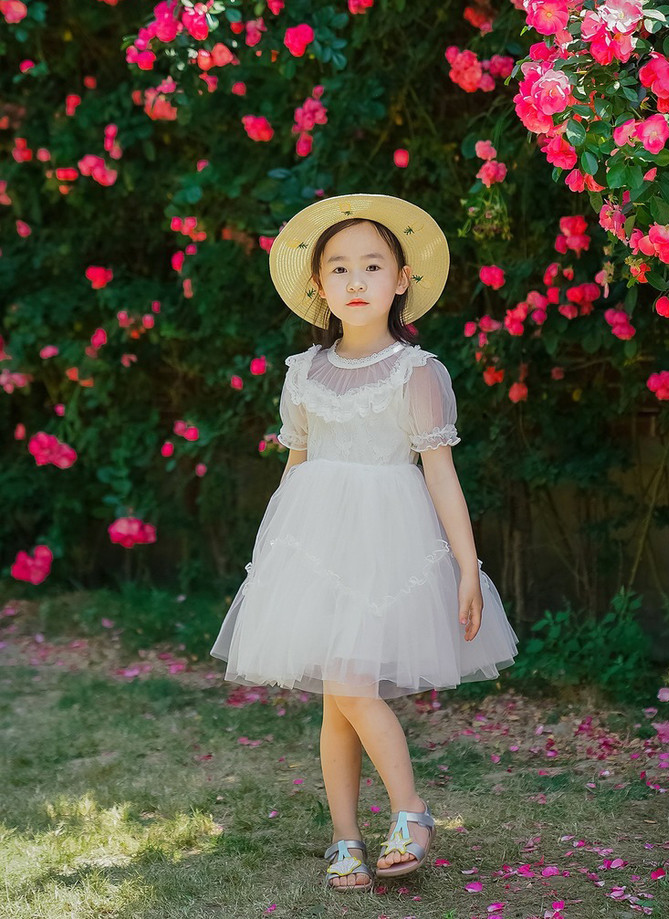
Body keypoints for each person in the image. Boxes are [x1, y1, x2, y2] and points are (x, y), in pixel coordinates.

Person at [210, 193, 519, 892]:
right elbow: (295, 468)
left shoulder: (418, 371)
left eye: (372, 266)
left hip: (387, 545)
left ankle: (411, 811)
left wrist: (467, 568)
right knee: (337, 695)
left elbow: (441, 475)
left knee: (349, 683)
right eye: (340, 268)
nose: (356, 280)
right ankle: (345, 836)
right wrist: (271, 558)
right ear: (318, 286)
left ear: (402, 278)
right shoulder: (302, 372)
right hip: (315, 545)